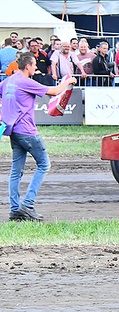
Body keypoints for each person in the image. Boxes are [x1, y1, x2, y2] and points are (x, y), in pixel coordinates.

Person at [0, 52, 77, 221]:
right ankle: (27, 205)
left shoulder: (7, 82)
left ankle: (15, 210)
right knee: (44, 164)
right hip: (28, 132)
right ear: (27, 66)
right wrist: (69, 81)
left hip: (13, 132)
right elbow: (55, 91)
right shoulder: (26, 82)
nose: (36, 67)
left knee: (15, 171)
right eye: (34, 65)